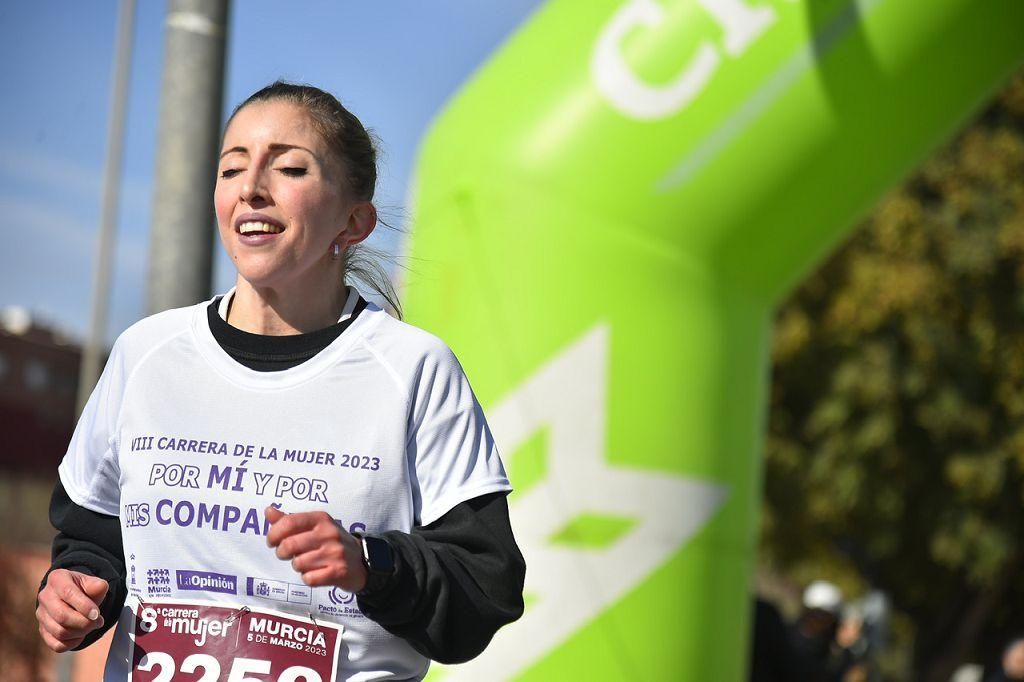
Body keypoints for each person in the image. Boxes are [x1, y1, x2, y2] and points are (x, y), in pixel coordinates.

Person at [36, 81, 525, 680]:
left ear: (355, 221)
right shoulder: (145, 354)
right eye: (231, 168)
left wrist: (373, 565)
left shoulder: (414, 369)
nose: (251, 189)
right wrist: (79, 587)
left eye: (290, 168)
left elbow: (485, 585)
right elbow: (93, 537)